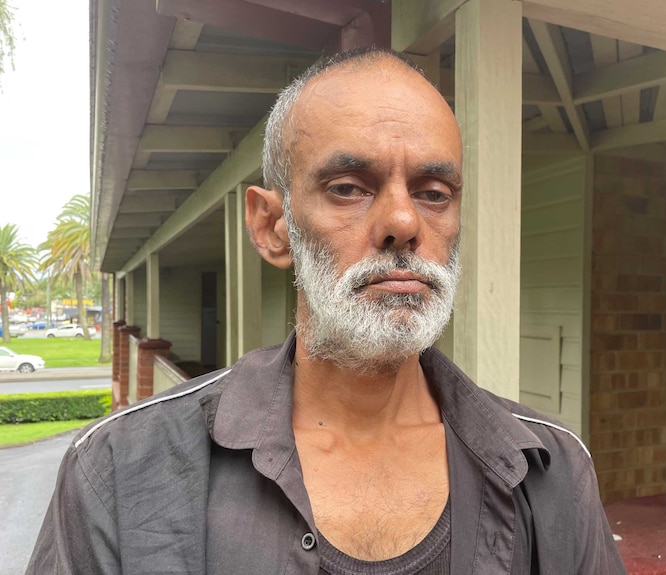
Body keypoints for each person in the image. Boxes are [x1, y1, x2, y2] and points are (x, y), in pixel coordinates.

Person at [28, 48, 627, 574]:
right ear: (271, 227)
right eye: (348, 187)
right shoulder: (121, 472)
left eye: (433, 193)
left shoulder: (551, 474)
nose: (402, 222)